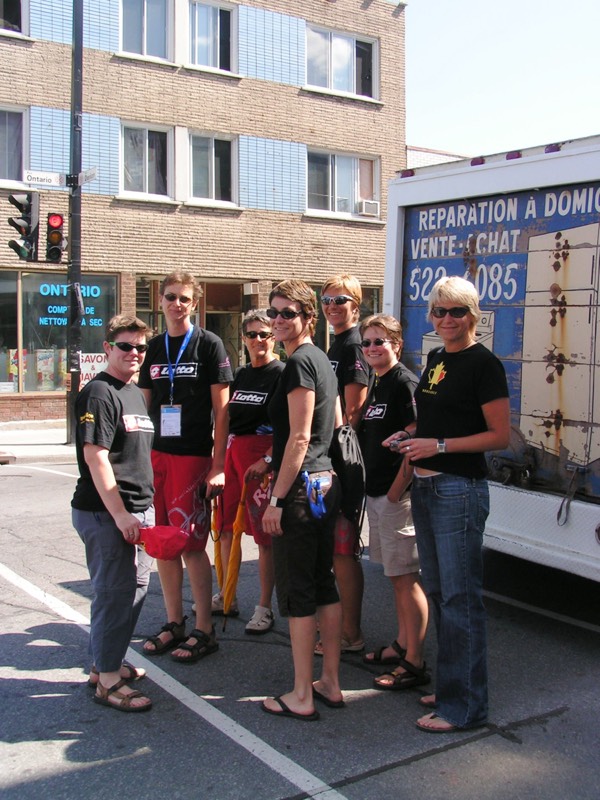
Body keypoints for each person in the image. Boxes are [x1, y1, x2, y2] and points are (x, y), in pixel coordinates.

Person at [384, 276, 510, 733]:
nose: (447, 319)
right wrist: (409, 435)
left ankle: (466, 707)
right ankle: (453, 686)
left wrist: (437, 446)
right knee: (440, 593)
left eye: (457, 311)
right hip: (426, 488)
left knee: (461, 600)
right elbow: (434, 420)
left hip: (459, 489)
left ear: (473, 315)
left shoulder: (484, 364)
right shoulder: (437, 358)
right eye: (439, 311)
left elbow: (499, 436)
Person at [138, 271, 233, 663]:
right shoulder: (153, 347)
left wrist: (218, 464)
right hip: (157, 455)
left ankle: (204, 629)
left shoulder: (209, 344)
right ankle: (174, 622)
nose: (176, 304)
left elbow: (223, 411)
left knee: (191, 544)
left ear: (195, 303)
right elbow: (143, 405)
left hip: (193, 456)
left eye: (184, 298)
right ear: (160, 301)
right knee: (163, 542)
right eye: (170, 297)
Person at [260, 279, 342, 720]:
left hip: (301, 487)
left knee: (297, 590)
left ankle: (301, 694)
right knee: (323, 582)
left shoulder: (299, 363)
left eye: (287, 313)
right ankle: (329, 682)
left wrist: (276, 500)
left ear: (309, 317)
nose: (277, 320)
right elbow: (335, 423)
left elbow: (300, 437)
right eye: (273, 312)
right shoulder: (320, 359)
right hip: (323, 482)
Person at [71, 314, 155, 712]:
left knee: (134, 589)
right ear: (108, 348)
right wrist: (121, 514)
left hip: (139, 510)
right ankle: (106, 681)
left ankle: (106, 661)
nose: (134, 353)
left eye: (140, 347)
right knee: (113, 593)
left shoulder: (133, 392)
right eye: (125, 346)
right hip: (106, 514)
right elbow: (96, 457)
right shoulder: (99, 393)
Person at [357, 314, 429, 690]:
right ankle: (402, 644)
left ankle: (414, 662)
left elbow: (418, 431)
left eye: (379, 341)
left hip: (395, 496)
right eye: (367, 342)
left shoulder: (404, 382)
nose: (372, 348)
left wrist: (397, 489)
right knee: (394, 577)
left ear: (397, 345)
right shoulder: (378, 381)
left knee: (406, 579)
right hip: (378, 494)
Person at [213, 309, 284, 634]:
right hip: (233, 455)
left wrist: (269, 458)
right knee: (226, 528)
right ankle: (227, 595)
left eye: (265, 334)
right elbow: (226, 418)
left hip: (261, 459)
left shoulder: (282, 373)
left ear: (274, 338)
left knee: (264, 538)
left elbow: (290, 426)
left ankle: (264, 607)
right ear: (243, 338)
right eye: (252, 335)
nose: (258, 340)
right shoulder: (240, 375)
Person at [314, 273, 370, 655]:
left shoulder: (354, 345)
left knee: (343, 549)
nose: (332, 307)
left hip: (343, 462)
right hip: (328, 458)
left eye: (340, 300)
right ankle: (342, 627)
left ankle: (351, 633)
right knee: (333, 550)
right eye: (327, 300)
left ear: (356, 305)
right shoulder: (335, 343)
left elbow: (354, 411)